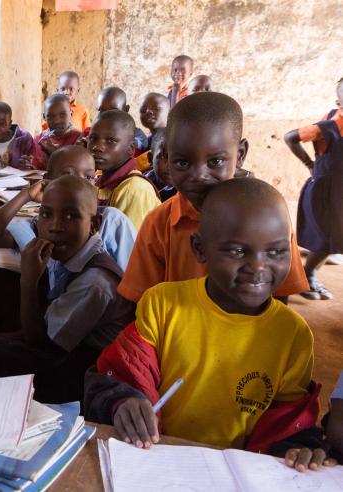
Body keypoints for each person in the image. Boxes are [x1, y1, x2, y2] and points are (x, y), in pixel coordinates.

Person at [85, 178, 332, 472]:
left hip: (233, 475)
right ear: (200, 248)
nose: (258, 266)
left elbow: (287, 422)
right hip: (156, 459)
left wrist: (299, 447)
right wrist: (124, 401)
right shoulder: (163, 305)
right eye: (238, 251)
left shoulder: (293, 334)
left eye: (276, 252)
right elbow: (121, 373)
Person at [118, 92, 309, 303]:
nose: (199, 176)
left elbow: (280, 298)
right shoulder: (159, 224)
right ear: (167, 156)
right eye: (182, 163)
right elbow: (139, 300)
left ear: (241, 154)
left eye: (215, 161)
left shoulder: (269, 216)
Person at [0, 176, 134, 403]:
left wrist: (28, 281)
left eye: (71, 216)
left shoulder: (95, 282)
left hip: (88, 373)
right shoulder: (72, 251)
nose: (55, 227)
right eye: (46, 214)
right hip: (65, 345)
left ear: (94, 223)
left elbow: (40, 343)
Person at [0, 145, 137, 271]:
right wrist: (26, 195)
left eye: (89, 177)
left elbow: (132, 275)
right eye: (68, 175)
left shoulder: (112, 221)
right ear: (47, 181)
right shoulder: (43, 225)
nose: (80, 183)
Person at [283, 77, 343, 300]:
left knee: (332, 238)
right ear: (339, 102)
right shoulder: (327, 127)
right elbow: (290, 137)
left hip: (339, 192)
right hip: (325, 193)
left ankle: (310, 272)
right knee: (327, 238)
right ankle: (308, 277)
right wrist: (310, 164)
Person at [88, 110, 160, 230]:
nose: (97, 147)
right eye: (93, 138)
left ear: (130, 149)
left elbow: (126, 245)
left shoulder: (134, 188)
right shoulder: (99, 182)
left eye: (110, 141)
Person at [86, 86, 149, 154]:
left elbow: (141, 145)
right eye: (102, 110)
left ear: (126, 109)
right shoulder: (91, 132)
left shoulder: (136, 134)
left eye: (114, 110)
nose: (107, 115)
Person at [32, 93, 82, 170]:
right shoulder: (38, 141)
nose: (56, 121)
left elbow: (77, 171)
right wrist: (28, 166)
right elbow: (35, 168)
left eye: (62, 115)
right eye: (50, 116)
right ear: (44, 117)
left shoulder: (79, 140)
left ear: (71, 114)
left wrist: (54, 154)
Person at [0, 101, 35, 168]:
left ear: (9, 124)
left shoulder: (24, 139)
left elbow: (35, 164)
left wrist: (28, 165)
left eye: (2, 125)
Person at [135, 92, 170, 171]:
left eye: (157, 108)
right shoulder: (146, 141)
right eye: (143, 110)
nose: (148, 112)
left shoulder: (172, 140)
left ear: (169, 112)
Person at [143, 128, 176, 202]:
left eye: (179, 160)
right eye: (164, 157)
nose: (170, 165)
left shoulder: (185, 195)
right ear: (150, 158)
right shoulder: (139, 183)